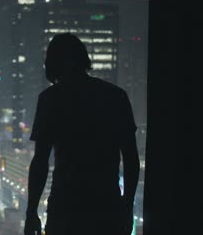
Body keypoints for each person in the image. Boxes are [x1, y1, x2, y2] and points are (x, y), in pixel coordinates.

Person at [24, 33, 140, 235]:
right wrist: (127, 205)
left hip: (64, 207)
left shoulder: (50, 100)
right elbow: (131, 158)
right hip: (106, 206)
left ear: (52, 65)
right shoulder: (115, 96)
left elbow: (40, 161)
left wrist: (31, 211)